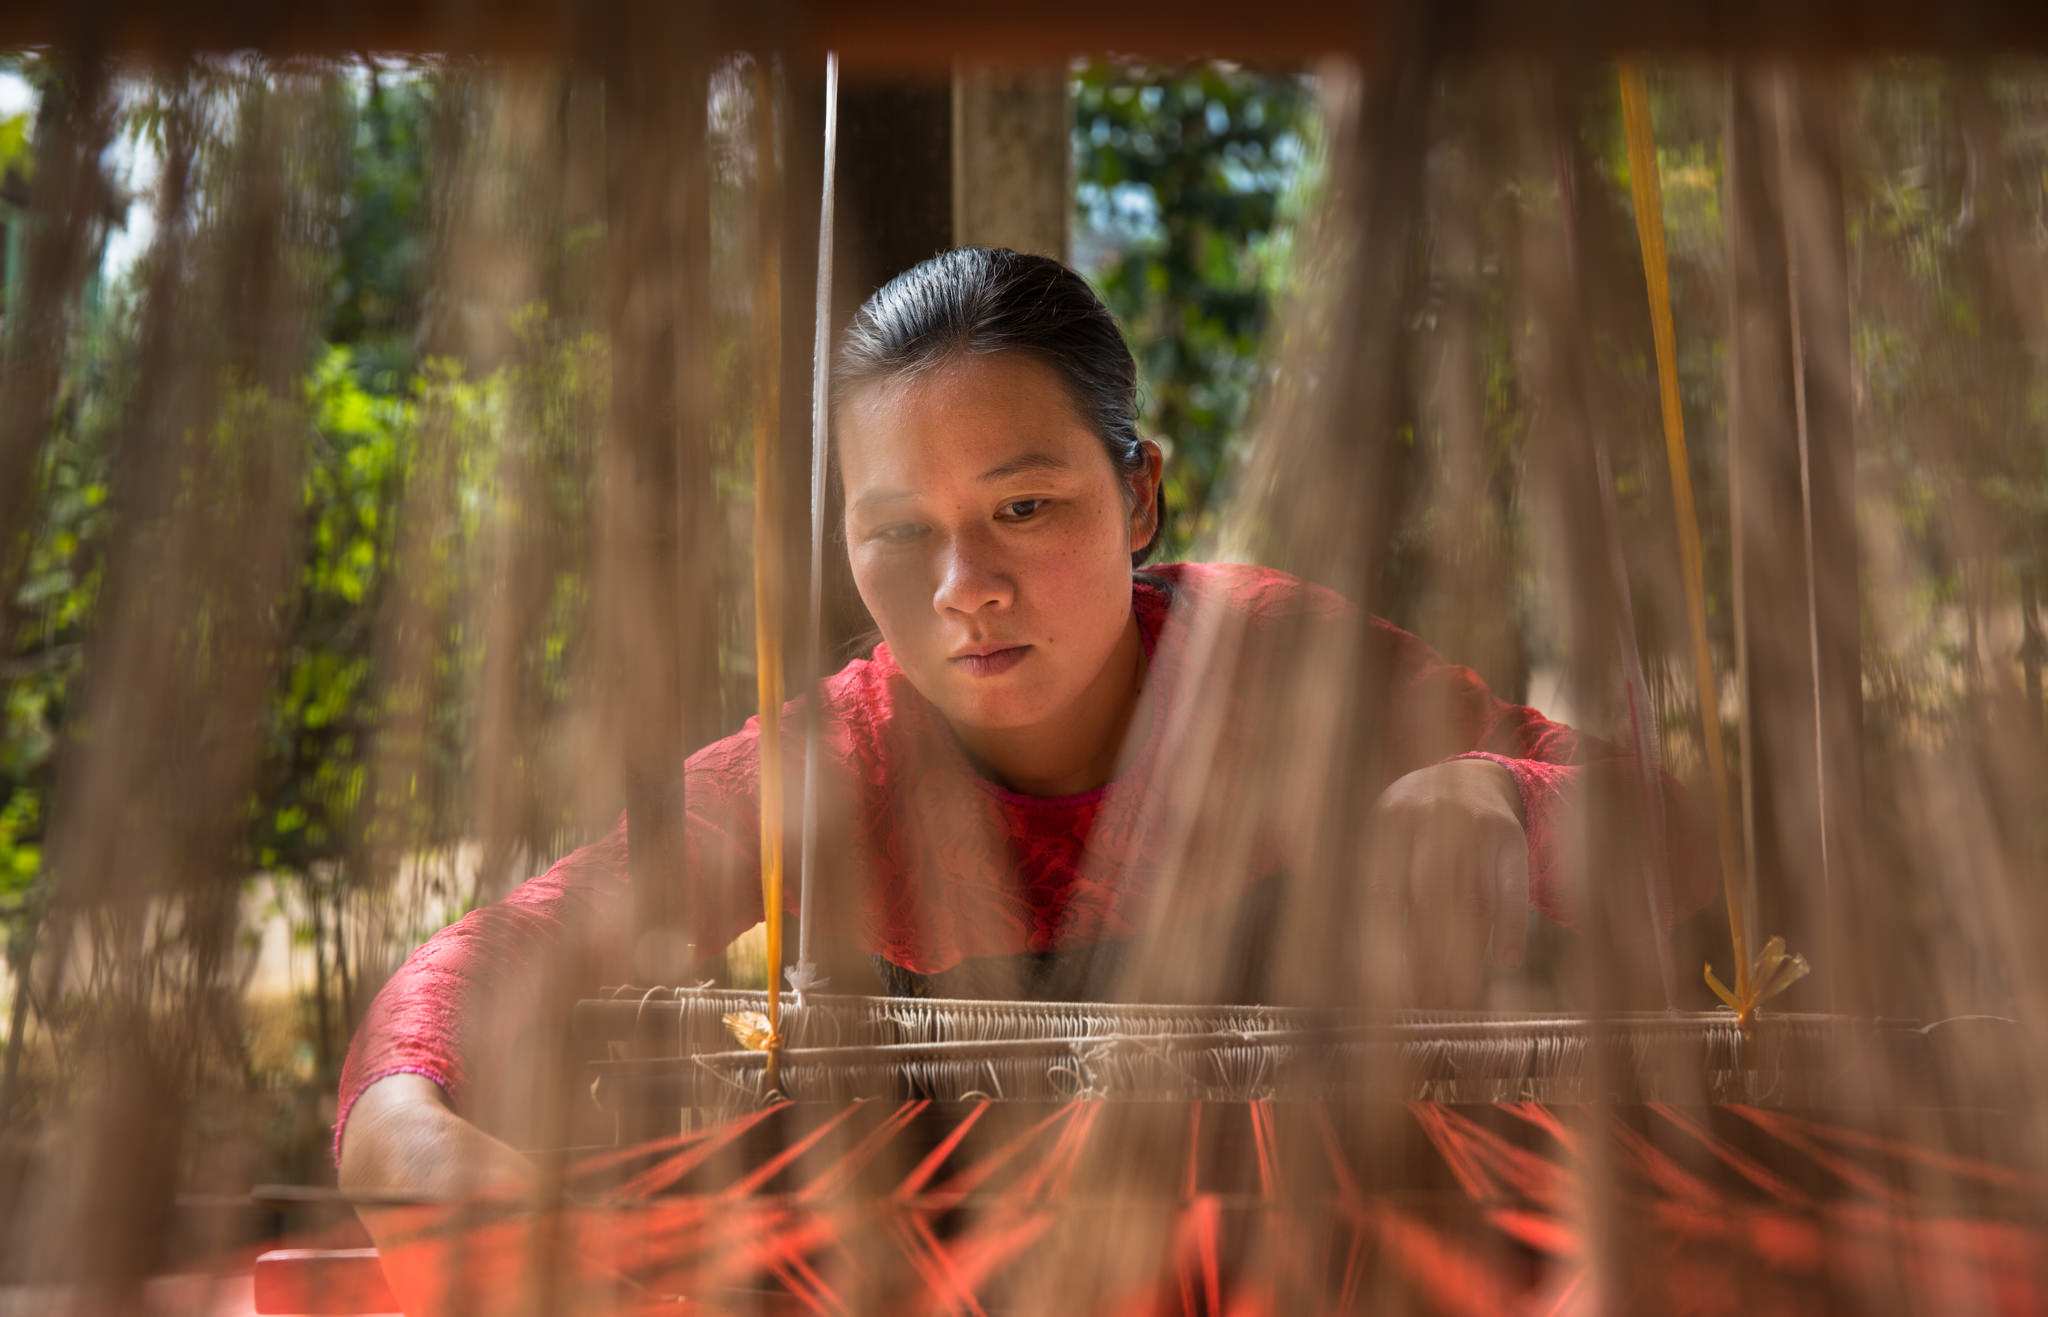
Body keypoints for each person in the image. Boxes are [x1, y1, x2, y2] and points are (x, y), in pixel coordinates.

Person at [335, 247, 1713, 1204]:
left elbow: (1678, 832)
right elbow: (513, 948)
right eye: (897, 534)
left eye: (1025, 506)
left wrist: (1503, 803)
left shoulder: (1277, 670)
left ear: (1142, 499)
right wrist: (404, 1125)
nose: (964, 590)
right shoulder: (836, 766)